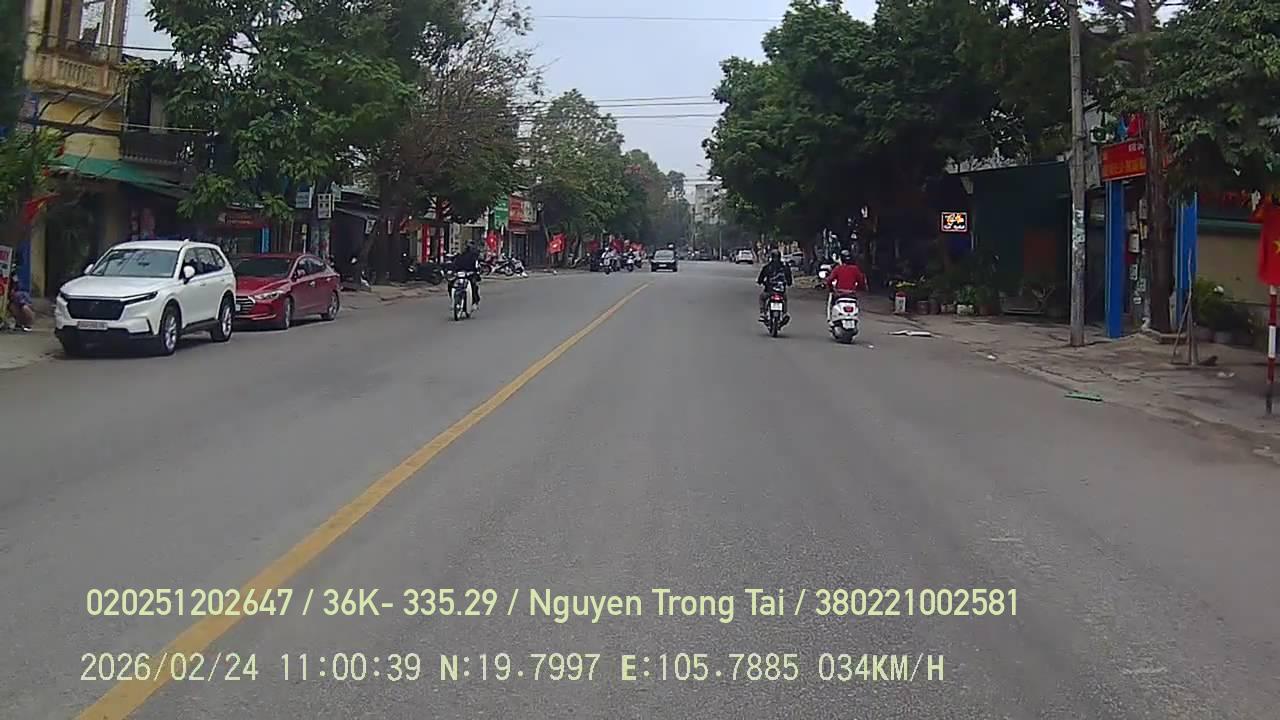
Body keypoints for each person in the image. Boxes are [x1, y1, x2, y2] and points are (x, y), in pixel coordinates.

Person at [756, 249, 793, 318]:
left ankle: (763, 312)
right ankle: (784, 313)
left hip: (769, 290)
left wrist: (760, 281)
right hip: (781, 291)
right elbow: (789, 277)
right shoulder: (784, 266)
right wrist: (789, 283)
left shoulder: (767, 267)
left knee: (762, 298)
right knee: (784, 299)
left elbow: (761, 277)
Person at [452, 241, 481, 306]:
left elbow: (476, 266)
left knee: (473, 286)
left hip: (470, 274)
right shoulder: (459, 256)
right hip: (460, 274)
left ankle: (474, 301)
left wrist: (475, 272)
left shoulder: (474, 256)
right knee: (452, 284)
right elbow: (455, 265)